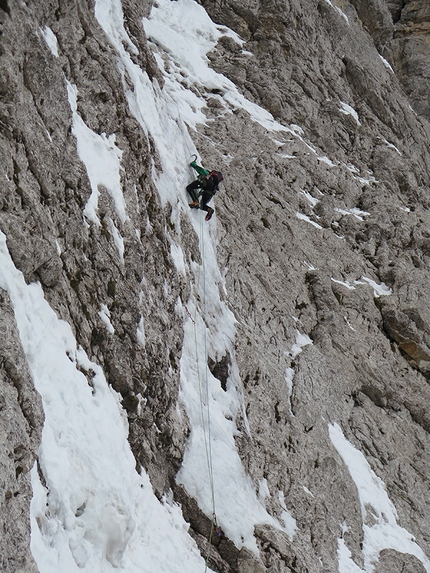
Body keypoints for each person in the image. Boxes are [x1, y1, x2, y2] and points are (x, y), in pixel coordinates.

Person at [187, 155, 223, 221]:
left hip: (205, 184)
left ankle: (195, 201)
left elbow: (195, 166)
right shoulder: (215, 184)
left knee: (189, 188)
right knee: (202, 205)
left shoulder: (207, 173)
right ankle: (210, 210)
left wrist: (193, 163)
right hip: (210, 192)